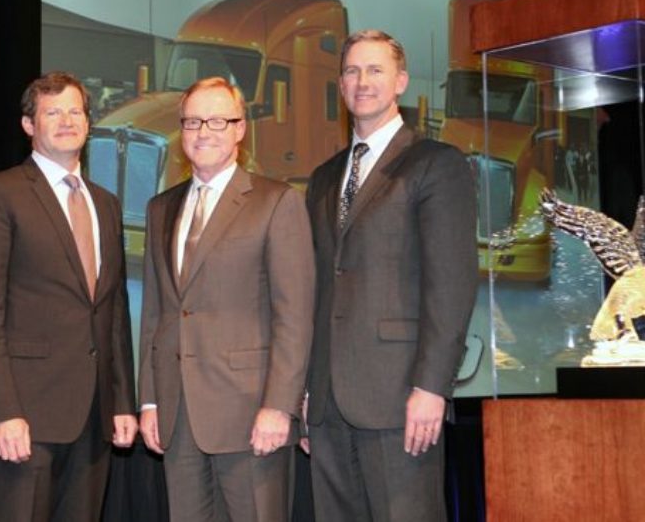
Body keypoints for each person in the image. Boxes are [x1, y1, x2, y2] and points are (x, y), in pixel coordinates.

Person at [304, 30, 478, 521]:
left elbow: (452, 287)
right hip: (328, 405)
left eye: (375, 70)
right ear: (340, 85)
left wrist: (432, 387)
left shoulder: (435, 164)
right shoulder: (323, 177)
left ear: (400, 81)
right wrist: (308, 391)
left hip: (401, 398)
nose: (363, 81)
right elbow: (317, 287)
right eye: (353, 71)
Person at [0, 71, 137, 521]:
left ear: (88, 122)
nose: (66, 121)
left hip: (93, 420)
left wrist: (121, 402)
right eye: (52, 112)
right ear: (28, 125)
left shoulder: (105, 204)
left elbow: (113, 311)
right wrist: (0, 412)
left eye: (75, 111)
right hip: (25, 418)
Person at [138, 77, 315, 522]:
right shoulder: (161, 208)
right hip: (178, 419)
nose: (204, 131)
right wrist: (150, 401)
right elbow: (157, 314)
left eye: (218, 120)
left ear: (240, 129)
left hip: (251, 415)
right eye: (194, 121)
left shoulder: (276, 203)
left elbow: (294, 316)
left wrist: (279, 406)